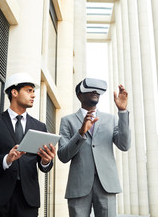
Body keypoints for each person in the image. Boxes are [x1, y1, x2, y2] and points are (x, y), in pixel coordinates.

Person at [0, 72, 56, 217]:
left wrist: (45, 161)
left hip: (27, 201)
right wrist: (6, 159)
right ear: (14, 92)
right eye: (29, 90)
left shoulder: (40, 126)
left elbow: (44, 167)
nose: (33, 95)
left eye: (34, 91)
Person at [58, 78, 130, 217]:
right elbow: (63, 156)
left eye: (98, 89)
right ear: (79, 94)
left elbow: (124, 145)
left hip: (106, 185)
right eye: (90, 88)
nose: (95, 91)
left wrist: (122, 112)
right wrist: (81, 133)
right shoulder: (67, 121)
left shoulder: (111, 119)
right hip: (78, 186)